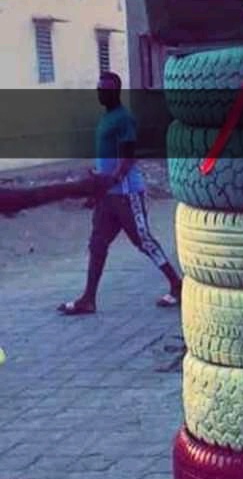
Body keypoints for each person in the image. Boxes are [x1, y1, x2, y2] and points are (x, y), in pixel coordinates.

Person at [57, 72, 182, 315]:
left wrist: (111, 179)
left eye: (106, 89)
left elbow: (128, 156)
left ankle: (177, 284)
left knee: (142, 240)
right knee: (97, 243)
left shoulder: (124, 119)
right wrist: (98, 185)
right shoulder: (106, 118)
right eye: (99, 88)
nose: (101, 93)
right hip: (107, 196)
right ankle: (88, 299)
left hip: (126, 192)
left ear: (116, 92)